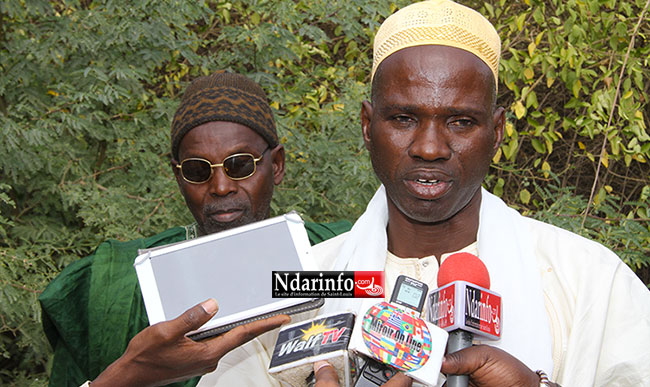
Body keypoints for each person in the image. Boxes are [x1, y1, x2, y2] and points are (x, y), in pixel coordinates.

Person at [310, 1, 650, 386]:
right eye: (404, 118)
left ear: (498, 132)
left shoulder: (590, 281)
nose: (430, 147)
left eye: (460, 122)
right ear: (368, 126)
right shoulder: (305, 286)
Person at [39, 71, 351, 387]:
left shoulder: (340, 253)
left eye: (240, 165)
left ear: (278, 164)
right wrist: (130, 374)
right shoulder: (118, 288)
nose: (221, 186)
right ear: (178, 176)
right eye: (198, 170)